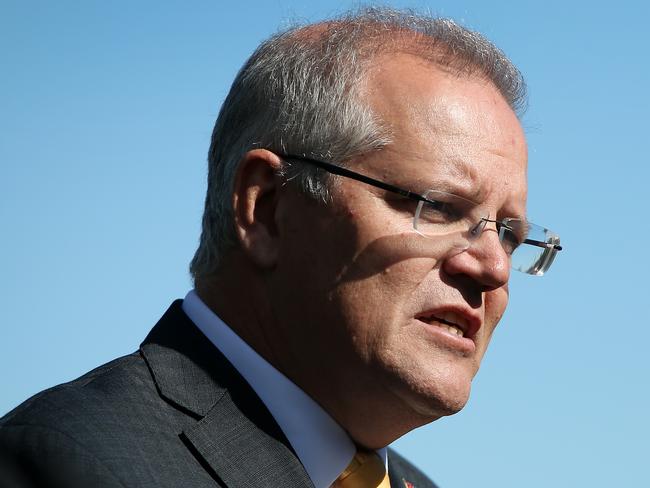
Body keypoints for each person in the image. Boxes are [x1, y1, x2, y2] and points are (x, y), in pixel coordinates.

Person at [0, 7, 562, 488]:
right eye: (438, 207)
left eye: (510, 233)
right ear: (266, 207)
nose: (491, 267)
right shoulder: (77, 463)